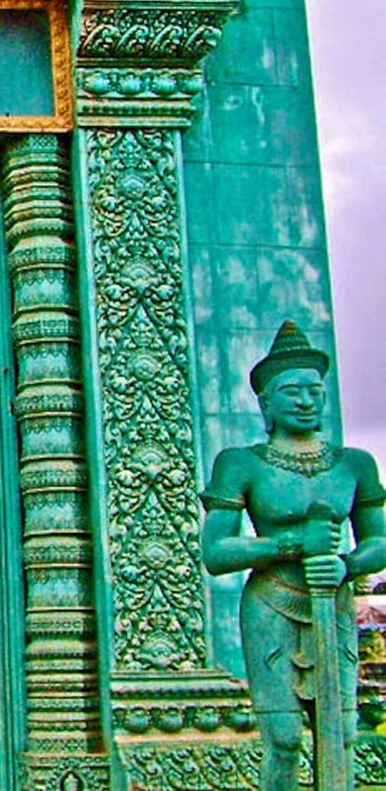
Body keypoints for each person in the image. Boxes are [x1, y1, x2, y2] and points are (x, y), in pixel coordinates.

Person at [201, 321, 386, 791]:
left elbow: (378, 542)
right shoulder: (242, 463)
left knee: (340, 733)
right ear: (266, 404)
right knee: (283, 738)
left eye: (315, 390)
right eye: (291, 391)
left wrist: (349, 564)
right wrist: (286, 545)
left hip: (333, 600)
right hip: (270, 603)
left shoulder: (354, 464)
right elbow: (216, 551)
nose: (306, 400)